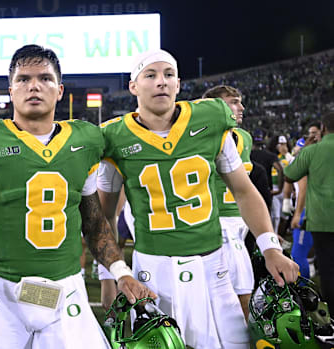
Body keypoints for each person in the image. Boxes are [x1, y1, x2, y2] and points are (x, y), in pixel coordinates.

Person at [0, 45, 153, 349]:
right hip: (3, 291)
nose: (34, 86)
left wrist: (120, 272)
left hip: (65, 286)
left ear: (59, 91)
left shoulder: (85, 140)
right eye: (24, 79)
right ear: (11, 91)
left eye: (45, 78)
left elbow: (93, 222)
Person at [97, 49, 298, 348]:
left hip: (213, 266)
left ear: (178, 84)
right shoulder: (113, 137)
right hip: (153, 273)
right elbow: (104, 215)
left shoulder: (211, 118)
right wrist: (109, 275)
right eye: (150, 75)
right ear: (134, 86)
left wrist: (270, 247)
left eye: (168, 74)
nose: (161, 82)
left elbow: (243, 191)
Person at [201, 85, 254, 320]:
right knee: (241, 299)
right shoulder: (202, 137)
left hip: (239, 224)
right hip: (216, 225)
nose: (240, 107)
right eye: (234, 102)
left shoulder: (244, 138)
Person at [284, 111, 334, 313]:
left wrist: (306, 149)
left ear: (323, 128)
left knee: (328, 271)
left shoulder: (313, 151)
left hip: (321, 220)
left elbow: (289, 174)